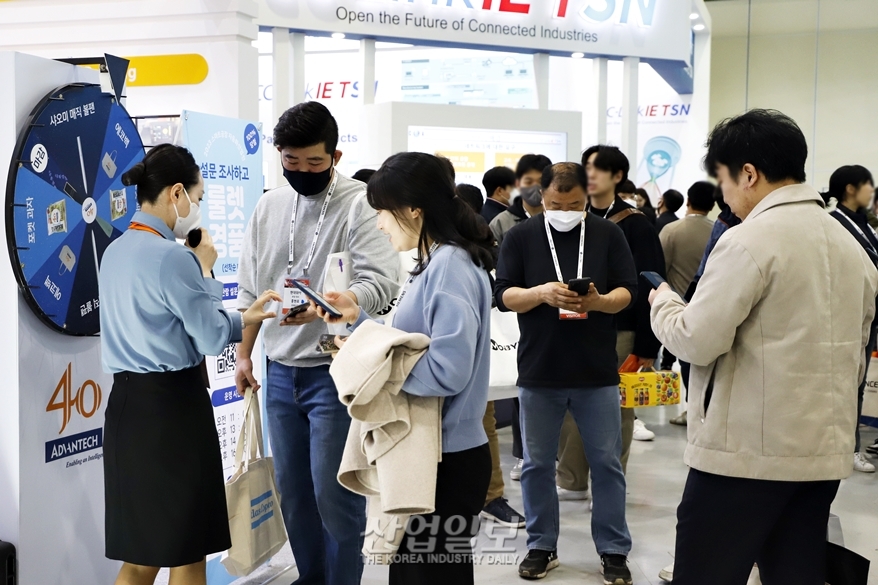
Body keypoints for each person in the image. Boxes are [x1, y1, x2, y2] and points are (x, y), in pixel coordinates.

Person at [649, 109, 878, 585]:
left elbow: (696, 339)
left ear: (748, 173)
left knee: (705, 572)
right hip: (820, 453)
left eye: (725, 181)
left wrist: (663, 304)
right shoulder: (849, 243)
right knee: (794, 571)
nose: (725, 196)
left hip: (744, 456)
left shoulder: (748, 241)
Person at [99, 144, 280, 585]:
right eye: (196, 199)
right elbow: (211, 336)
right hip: (173, 412)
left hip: (127, 408)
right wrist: (205, 269)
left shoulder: (116, 250)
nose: (195, 209)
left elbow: (166, 321)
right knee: (187, 552)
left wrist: (242, 316)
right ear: (176, 193)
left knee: (142, 556)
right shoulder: (176, 257)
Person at [235, 102, 399, 585]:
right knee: (292, 491)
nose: (302, 172)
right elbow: (250, 289)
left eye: (314, 163)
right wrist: (244, 355)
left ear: (336, 156)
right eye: (291, 162)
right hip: (279, 370)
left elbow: (381, 281)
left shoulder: (360, 203)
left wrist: (339, 302)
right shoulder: (269, 205)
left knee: (335, 494)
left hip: (335, 371)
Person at [318, 152, 495, 585]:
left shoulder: (449, 266)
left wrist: (369, 366)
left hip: (445, 458)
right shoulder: (433, 262)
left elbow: (449, 370)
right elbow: (409, 337)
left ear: (414, 210)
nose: (379, 224)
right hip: (434, 452)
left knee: (430, 576)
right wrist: (358, 321)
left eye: (382, 213)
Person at [495, 162, 636, 584]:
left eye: (575, 204)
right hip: (540, 369)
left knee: (606, 464)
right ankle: (541, 545)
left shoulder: (608, 233)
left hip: (597, 371)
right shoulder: (522, 235)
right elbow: (503, 295)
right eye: (557, 204)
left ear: (586, 199)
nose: (565, 210)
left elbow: (628, 292)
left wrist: (598, 302)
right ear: (542, 197)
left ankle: (613, 549)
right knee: (538, 464)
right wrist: (540, 293)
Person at [555, 146, 666, 506]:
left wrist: (647, 346)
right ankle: (571, 479)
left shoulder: (635, 224)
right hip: (573, 326)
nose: (590, 174)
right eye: (586, 167)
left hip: (620, 329)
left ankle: (609, 479)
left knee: (615, 407)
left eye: (598, 169)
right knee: (569, 402)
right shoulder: (572, 218)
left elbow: (651, 283)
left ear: (618, 176)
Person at [490, 153, 553, 485]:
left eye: (539, 182)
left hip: (559, 319)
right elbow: (496, 275)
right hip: (516, 315)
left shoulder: (563, 220)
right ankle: (522, 454)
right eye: (527, 182)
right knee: (520, 388)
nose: (533, 189)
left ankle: (552, 455)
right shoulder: (503, 224)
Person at [668, 186, 741, 428]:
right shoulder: (718, 226)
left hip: (687, 303)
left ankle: (696, 410)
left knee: (692, 361)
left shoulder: (672, 230)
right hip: (718, 306)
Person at [823, 164, 878, 473]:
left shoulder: (865, 224)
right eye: (867, 185)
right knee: (849, 383)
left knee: (859, 382)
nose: (872, 191)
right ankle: (850, 447)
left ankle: (851, 445)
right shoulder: (834, 222)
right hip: (847, 313)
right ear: (850, 189)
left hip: (868, 311)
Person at [658, 181, 716, 370]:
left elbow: (660, 269)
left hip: (676, 307)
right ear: (712, 205)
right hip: (708, 310)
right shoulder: (719, 232)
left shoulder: (671, 230)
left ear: (688, 200)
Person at [489, 154, 552, 248]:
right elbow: (492, 258)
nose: (535, 187)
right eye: (528, 182)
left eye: (541, 182)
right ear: (518, 184)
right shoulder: (501, 223)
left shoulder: (558, 218)